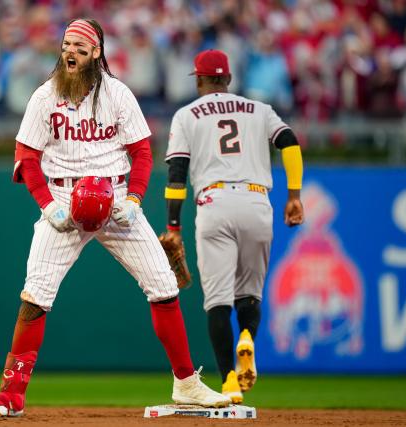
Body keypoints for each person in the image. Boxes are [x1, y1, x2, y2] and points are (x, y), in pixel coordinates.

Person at [0, 19, 230, 417]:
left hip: (115, 201)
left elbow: (143, 153)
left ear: (96, 52)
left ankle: (186, 385)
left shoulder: (117, 93)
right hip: (62, 197)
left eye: (80, 46)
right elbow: (26, 158)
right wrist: (47, 205)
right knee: (36, 294)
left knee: (164, 284)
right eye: (66, 45)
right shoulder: (45, 96)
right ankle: (11, 394)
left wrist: (133, 199)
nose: (70, 52)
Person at [163, 49, 305, 404]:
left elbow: (177, 172)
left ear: (199, 80)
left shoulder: (186, 115)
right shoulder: (259, 109)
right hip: (257, 201)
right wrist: (295, 195)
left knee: (217, 302)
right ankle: (247, 337)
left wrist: (174, 225)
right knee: (250, 295)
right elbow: (289, 142)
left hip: (214, 203)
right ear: (228, 79)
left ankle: (228, 380)